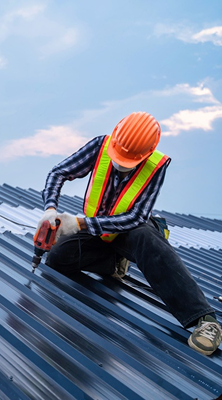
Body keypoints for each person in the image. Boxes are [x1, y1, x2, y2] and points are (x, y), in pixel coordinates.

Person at [37, 111, 221, 356]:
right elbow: (58, 172)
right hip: (98, 229)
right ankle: (114, 263)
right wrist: (50, 209)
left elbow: (136, 216)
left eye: (129, 161)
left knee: (147, 241)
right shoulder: (100, 146)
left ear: (145, 155)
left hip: (130, 230)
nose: (120, 164)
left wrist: (80, 225)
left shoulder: (156, 166)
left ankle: (205, 320)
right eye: (119, 157)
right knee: (59, 256)